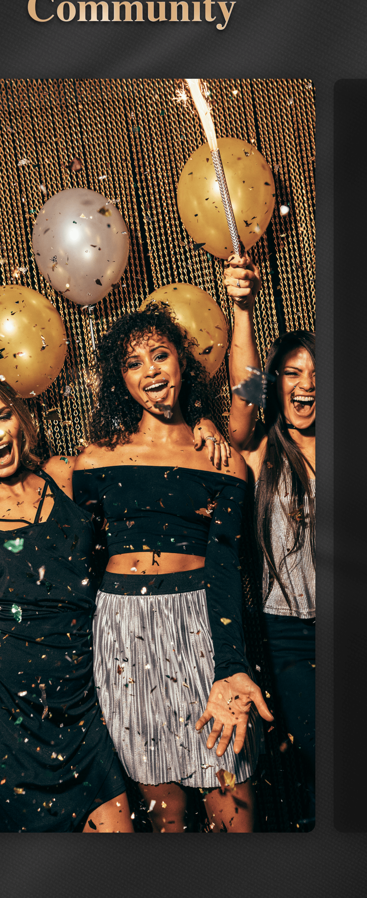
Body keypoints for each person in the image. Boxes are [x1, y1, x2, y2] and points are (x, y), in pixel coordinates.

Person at [73, 303, 273, 833]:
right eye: (134, 363)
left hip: (201, 627)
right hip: (121, 633)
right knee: (167, 821)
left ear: (182, 363)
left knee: (233, 810)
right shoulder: (93, 461)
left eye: (160, 355)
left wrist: (229, 664)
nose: (151, 371)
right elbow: (71, 562)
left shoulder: (221, 457)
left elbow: (227, 567)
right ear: (121, 379)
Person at [0, 368, 135, 833]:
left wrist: (204, 425)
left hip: (82, 707)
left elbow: (144, 462)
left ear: (20, 418)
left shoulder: (64, 476)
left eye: (1, 416)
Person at [223, 253, 315, 827]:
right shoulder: (259, 454)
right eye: (293, 373)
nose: (307, 386)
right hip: (291, 640)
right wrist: (241, 309)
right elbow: (242, 391)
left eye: (318, 374)